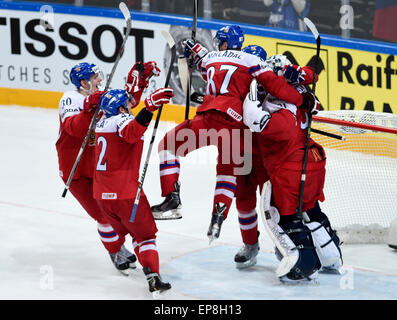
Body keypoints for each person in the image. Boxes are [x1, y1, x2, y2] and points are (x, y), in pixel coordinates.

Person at [151, 25, 316, 244]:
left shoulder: (213, 57)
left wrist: (192, 49)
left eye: (220, 41)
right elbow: (279, 87)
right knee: (230, 178)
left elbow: (205, 59)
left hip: (209, 119)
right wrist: (300, 98)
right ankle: (219, 219)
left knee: (168, 146)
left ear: (225, 43)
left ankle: (172, 197)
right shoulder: (251, 62)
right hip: (237, 130)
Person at [241, 51, 343, 283]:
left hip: (290, 170)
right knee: (312, 211)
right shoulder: (302, 95)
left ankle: (303, 263)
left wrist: (252, 100)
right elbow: (312, 100)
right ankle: (332, 256)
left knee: (281, 217)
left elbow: (255, 120)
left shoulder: (280, 109)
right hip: (313, 162)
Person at [93, 75, 174, 293]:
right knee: (145, 236)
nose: (130, 107)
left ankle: (117, 253)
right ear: (120, 108)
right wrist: (149, 107)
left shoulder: (100, 123)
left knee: (117, 228)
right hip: (126, 194)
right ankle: (153, 276)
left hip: (101, 195)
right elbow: (131, 132)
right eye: (128, 104)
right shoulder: (121, 120)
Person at [56, 62, 137, 274]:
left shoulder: (99, 96)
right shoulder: (70, 99)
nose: (100, 80)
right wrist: (90, 106)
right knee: (101, 216)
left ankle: (118, 245)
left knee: (112, 213)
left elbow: (126, 106)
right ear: (83, 82)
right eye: (95, 77)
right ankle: (115, 250)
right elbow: (74, 129)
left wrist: (141, 80)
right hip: (75, 171)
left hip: (97, 168)